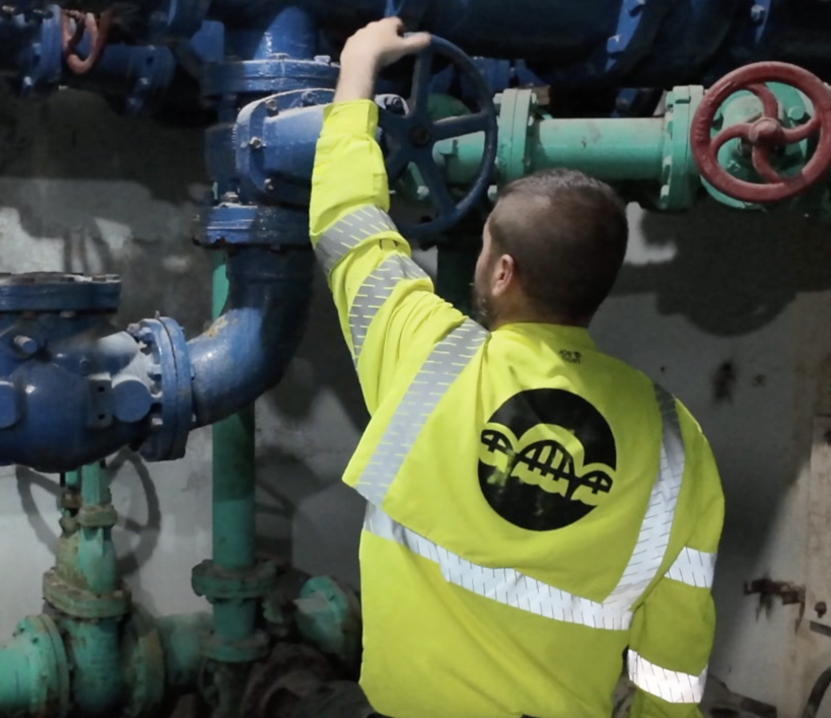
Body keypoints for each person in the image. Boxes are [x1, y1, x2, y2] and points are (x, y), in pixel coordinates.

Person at [306, 17, 726, 718]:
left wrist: (356, 71)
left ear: (502, 271)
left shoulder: (426, 354)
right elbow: (676, 646)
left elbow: (347, 224)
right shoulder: (676, 440)